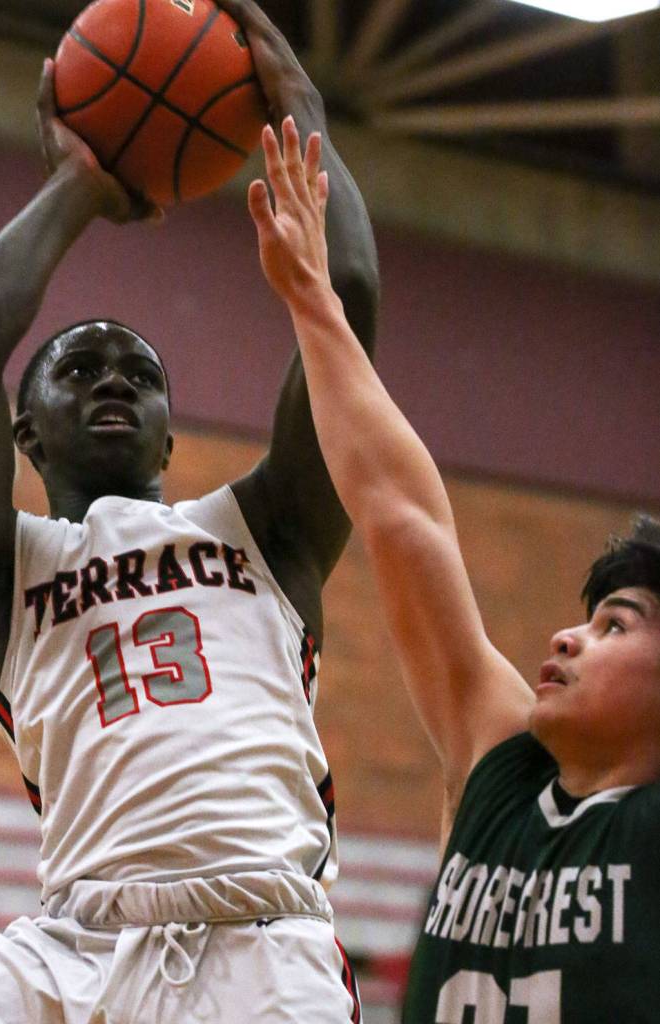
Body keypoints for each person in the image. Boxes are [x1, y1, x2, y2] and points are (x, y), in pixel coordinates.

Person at [0, 3, 379, 1024]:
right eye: (77, 368)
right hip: (72, 945)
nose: (112, 380)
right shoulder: (0, 573)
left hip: (262, 940)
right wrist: (80, 184)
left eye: (139, 371)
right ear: (24, 435)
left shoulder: (270, 527)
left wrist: (302, 107)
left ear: (172, 438)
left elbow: (344, 298)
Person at [247, 115, 660, 1023]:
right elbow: (402, 520)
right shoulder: (497, 770)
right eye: (586, 619)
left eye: (616, 624)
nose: (567, 636)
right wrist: (313, 300)